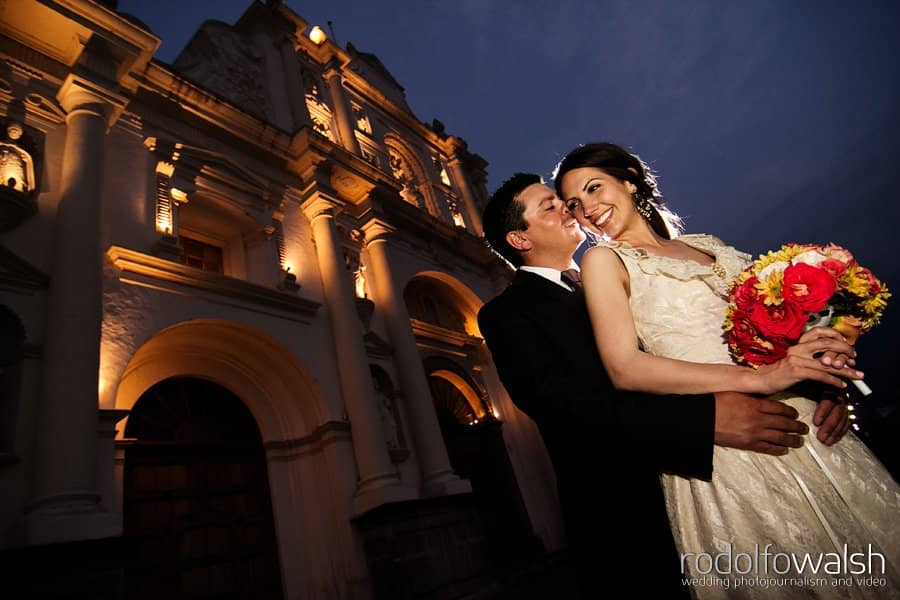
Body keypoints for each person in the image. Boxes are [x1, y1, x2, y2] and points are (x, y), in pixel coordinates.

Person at [476, 173, 855, 598]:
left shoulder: (626, 276)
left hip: (740, 467)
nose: (569, 207)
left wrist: (818, 385)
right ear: (519, 238)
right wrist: (706, 420)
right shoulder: (506, 315)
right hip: (628, 512)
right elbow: (568, 408)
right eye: (550, 206)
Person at [554, 142, 900, 598]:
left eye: (594, 188)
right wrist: (759, 379)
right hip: (732, 450)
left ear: (629, 182)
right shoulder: (604, 262)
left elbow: (786, 334)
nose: (587, 209)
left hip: (811, 429)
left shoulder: (710, 247)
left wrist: (830, 385)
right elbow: (626, 368)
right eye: (575, 204)